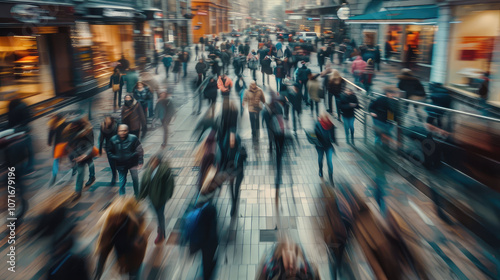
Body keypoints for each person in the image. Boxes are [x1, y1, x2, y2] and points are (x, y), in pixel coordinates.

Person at [94, 196, 149, 280]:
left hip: (135, 256)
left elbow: (142, 241)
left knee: (134, 275)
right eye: (116, 216)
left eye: (121, 216)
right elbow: (105, 247)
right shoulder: (110, 226)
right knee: (126, 272)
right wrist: (99, 268)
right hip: (121, 256)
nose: (117, 220)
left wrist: (137, 242)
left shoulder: (134, 223)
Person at [139, 152, 175, 245]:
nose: (153, 164)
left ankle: (161, 233)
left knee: (160, 215)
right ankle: (160, 228)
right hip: (151, 198)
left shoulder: (164, 171)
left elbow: (170, 183)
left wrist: (167, 196)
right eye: (152, 161)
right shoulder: (148, 171)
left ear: (158, 162)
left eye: (155, 162)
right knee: (155, 213)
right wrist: (140, 196)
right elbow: (143, 184)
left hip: (160, 198)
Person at [63, 117, 96, 200]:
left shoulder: (88, 131)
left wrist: (86, 154)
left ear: (79, 124)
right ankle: (78, 192)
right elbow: (69, 144)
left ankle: (92, 177)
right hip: (78, 154)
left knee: (90, 163)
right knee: (80, 172)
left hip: (87, 152)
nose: (72, 127)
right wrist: (71, 154)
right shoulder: (70, 131)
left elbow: (91, 144)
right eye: (72, 125)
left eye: (74, 125)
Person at [106, 124, 144, 196]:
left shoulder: (133, 138)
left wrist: (140, 161)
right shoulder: (113, 140)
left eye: (124, 131)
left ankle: (137, 194)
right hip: (121, 164)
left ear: (128, 131)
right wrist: (116, 157)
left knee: (135, 179)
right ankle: (122, 196)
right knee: (122, 181)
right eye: (120, 131)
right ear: (118, 131)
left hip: (132, 163)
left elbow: (139, 150)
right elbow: (109, 152)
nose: (122, 132)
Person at [7, 98, 35, 173]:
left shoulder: (11, 108)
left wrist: (14, 128)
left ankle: (21, 169)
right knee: (29, 151)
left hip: (15, 132)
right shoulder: (23, 106)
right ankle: (30, 168)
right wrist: (22, 125)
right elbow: (28, 118)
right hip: (24, 131)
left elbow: (10, 123)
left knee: (20, 152)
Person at [314, 113, 337, 185]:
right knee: (321, 158)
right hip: (320, 146)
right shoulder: (318, 124)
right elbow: (316, 134)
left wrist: (333, 140)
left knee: (329, 161)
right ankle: (320, 170)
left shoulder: (331, 125)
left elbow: (333, 137)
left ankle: (330, 176)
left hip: (328, 146)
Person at [48, 113, 69, 186]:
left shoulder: (53, 125)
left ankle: (54, 175)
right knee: (70, 156)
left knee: (56, 160)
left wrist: (49, 142)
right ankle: (74, 167)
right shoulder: (66, 123)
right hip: (65, 143)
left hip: (57, 145)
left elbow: (50, 135)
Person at [99, 115, 118, 185]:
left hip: (116, 146)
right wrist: (100, 149)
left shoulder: (116, 126)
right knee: (111, 162)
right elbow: (101, 138)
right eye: (105, 119)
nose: (106, 121)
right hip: (108, 147)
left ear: (111, 120)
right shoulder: (103, 127)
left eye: (108, 119)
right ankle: (114, 175)